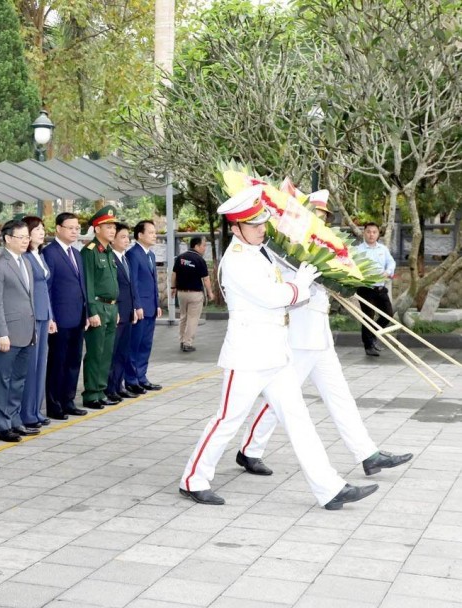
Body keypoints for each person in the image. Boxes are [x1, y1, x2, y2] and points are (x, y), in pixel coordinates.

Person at [179, 186, 378, 510]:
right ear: (236, 227)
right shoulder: (237, 260)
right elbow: (273, 297)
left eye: (262, 223)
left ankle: (329, 488)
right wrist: (300, 285)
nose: (261, 229)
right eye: (254, 224)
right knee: (226, 420)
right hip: (246, 357)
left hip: (275, 354)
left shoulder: (259, 251)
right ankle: (193, 479)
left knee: (299, 420)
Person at [237, 193, 412, 478]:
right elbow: (288, 287)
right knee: (280, 399)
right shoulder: (285, 245)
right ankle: (249, 450)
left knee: (340, 396)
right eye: (315, 214)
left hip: (320, 335)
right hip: (300, 334)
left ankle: (368, 454)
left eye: (324, 216)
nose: (320, 220)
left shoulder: (320, 245)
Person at [0, 220, 37, 443]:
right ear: (8, 239)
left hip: (26, 332)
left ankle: (15, 419)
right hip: (7, 334)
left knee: (19, 379)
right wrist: (1, 333)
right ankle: (1, 425)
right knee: (2, 380)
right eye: (21, 237)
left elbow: (29, 299)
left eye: (27, 237)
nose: (26, 241)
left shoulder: (25, 262)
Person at [42, 213, 88, 420]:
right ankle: (54, 405)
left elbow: (82, 286)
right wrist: (50, 316)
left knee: (73, 361)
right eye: (70, 227)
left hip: (77, 317)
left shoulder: (77, 254)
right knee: (57, 363)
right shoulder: (50, 253)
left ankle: (68, 400)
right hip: (59, 319)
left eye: (77, 228)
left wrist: (86, 313)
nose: (74, 231)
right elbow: (47, 288)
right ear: (58, 229)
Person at [81, 206, 120, 409]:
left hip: (112, 308)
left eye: (114, 226)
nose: (112, 230)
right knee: (95, 352)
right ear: (96, 229)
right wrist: (92, 311)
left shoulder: (110, 251)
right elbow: (88, 283)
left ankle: (101, 390)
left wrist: (117, 309)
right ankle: (91, 394)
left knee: (106, 352)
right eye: (107, 226)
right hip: (98, 306)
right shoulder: (89, 251)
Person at [21, 216, 56, 428]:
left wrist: (50, 316)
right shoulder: (25, 257)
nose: (41, 233)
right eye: (37, 229)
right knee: (30, 367)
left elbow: (45, 290)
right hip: (31, 315)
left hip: (44, 314)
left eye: (43, 229)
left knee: (41, 365)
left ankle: (36, 409)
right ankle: (27, 412)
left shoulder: (39, 255)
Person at [125, 220, 162, 394]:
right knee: (135, 344)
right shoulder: (133, 254)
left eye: (155, 232)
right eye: (151, 232)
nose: (155, 235)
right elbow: (133, 282)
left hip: (151, 307)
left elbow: (152, 282)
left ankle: (142, 377)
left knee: (146, 344)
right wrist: (137, 305)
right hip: (140, 308)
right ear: (140, 235)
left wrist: (157, 303)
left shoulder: (151, 255)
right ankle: (131, 379)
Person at [106, 222, 140, 402]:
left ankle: (118, 386)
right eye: (123, 237)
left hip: (128, 312)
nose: (127, 240)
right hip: (116, 312)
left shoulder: (125, 258)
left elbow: (131, 286)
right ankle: (109, 388)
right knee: (112, 352)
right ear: (113, 240)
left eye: (128, 237)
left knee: (123, 352)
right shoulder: (110, 258)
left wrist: (134, 308)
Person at [355, 221, 396, 356]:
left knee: (388, 314)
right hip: (365, 288)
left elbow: (391, 262)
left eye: (374, 232)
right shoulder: (358, 250)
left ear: (378, 234)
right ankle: (369, 346)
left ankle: (372, 337)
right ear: (364, 233)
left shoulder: (383, 249)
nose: (371, 235)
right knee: (368, 316)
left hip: (380, 288)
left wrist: (388, 271)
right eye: (368, 232)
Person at [172, 236, 215, 353]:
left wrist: (173, 287)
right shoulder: (199, 260)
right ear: (196, 246)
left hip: (181, 293)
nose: (205, 248)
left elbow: (174, 274)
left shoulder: (180, 258)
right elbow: (206, 279)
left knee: (183, 317)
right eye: (203, 245)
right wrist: (210, 292)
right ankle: (187, 343)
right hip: (195, 294)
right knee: (192, 319)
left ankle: (182, 340)